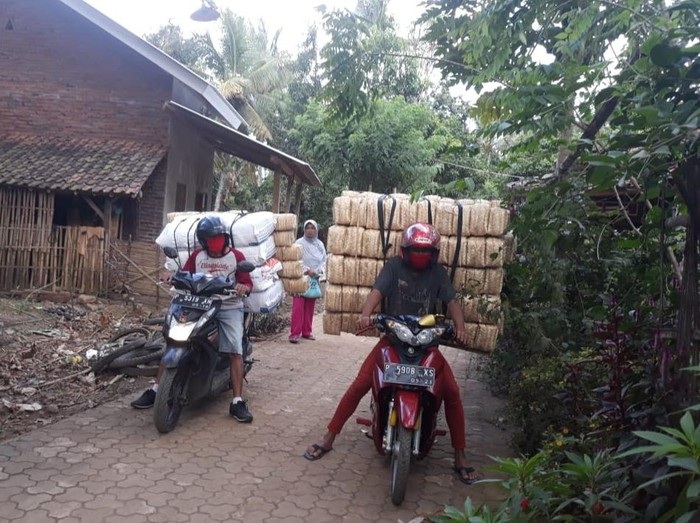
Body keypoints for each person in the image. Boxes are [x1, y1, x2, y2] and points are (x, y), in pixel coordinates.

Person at [303, 223, 479, 484]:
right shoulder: (394, 267)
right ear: (404, 250)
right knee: (360, 384)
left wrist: (461, 328)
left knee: (451, 394)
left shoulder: (438, 273)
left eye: (426, 251)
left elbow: (451, 302)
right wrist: (365, 315)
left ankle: (460, 456)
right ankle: (328, 438)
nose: (421, 256)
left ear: (434, 253)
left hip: (427, 343)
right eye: (416, 251)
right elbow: (378, 292)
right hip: (394, 339)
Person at [131, 216, 255, 423]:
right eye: (211, 237)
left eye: (219, 237)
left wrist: (244, 287)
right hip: (198, 303)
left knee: (234, 349)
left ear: (225, 238)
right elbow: (184, 273)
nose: (216, 241)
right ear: (204, 240)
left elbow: (246, 282)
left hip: (227, 306)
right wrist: (171, 275)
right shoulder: (197, 256)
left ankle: (237, 401)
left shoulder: (236, 256)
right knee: (173, 340)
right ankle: (156, 389)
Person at [289, 219, 327, 343]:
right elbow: (294, 259)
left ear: (316, 230)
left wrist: (317, 271)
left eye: (312, 228)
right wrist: (306, 270)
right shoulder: (298, 243)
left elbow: (324, 260)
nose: (310, 230)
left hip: (314, 278)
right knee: (298, 307)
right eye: (307, 228)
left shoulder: (320, 244)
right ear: (304, 229)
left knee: (310, 306)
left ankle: (307, 331)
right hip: (300, 277)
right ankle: (295, 334)